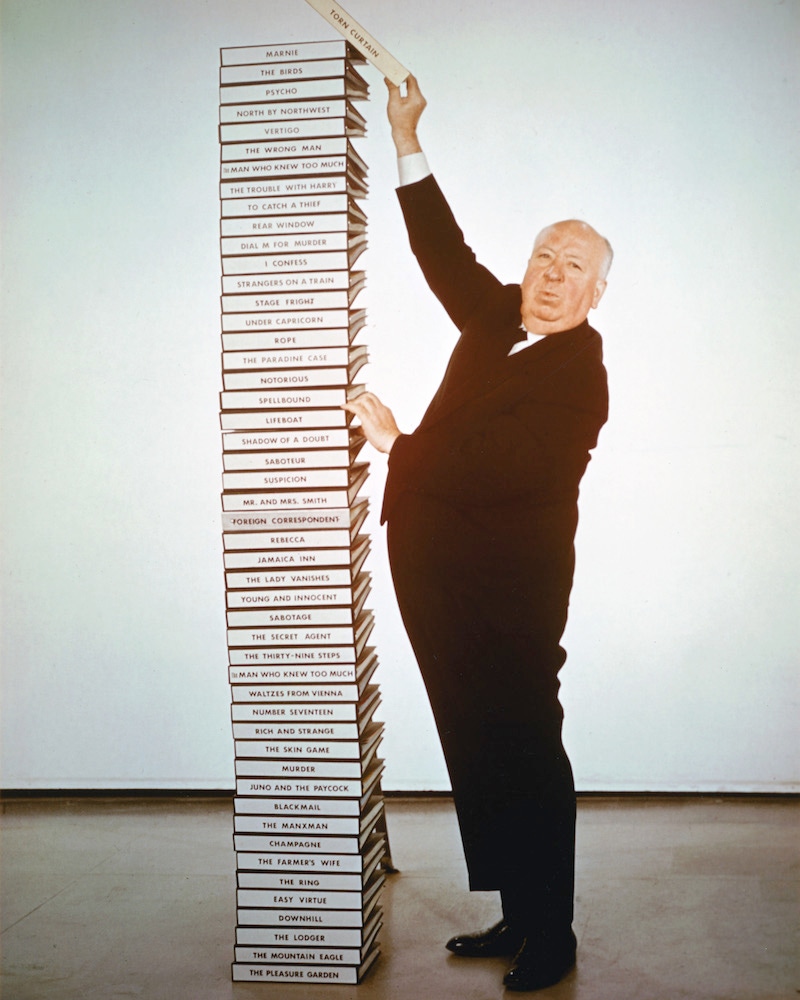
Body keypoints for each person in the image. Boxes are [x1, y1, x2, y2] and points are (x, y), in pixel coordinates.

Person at [344, 75, 611, 993]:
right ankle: (516, 911)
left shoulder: (583, 375)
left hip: (510, 591)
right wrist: (405, 136)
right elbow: (442, 251)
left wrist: (398, 444)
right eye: (544, 253)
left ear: (596, 291)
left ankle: (554, 930)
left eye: (572, 264)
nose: (549, 271)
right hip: (432, 566)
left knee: (525, 741)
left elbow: (510, 469)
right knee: (470, 736)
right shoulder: (498, 313)